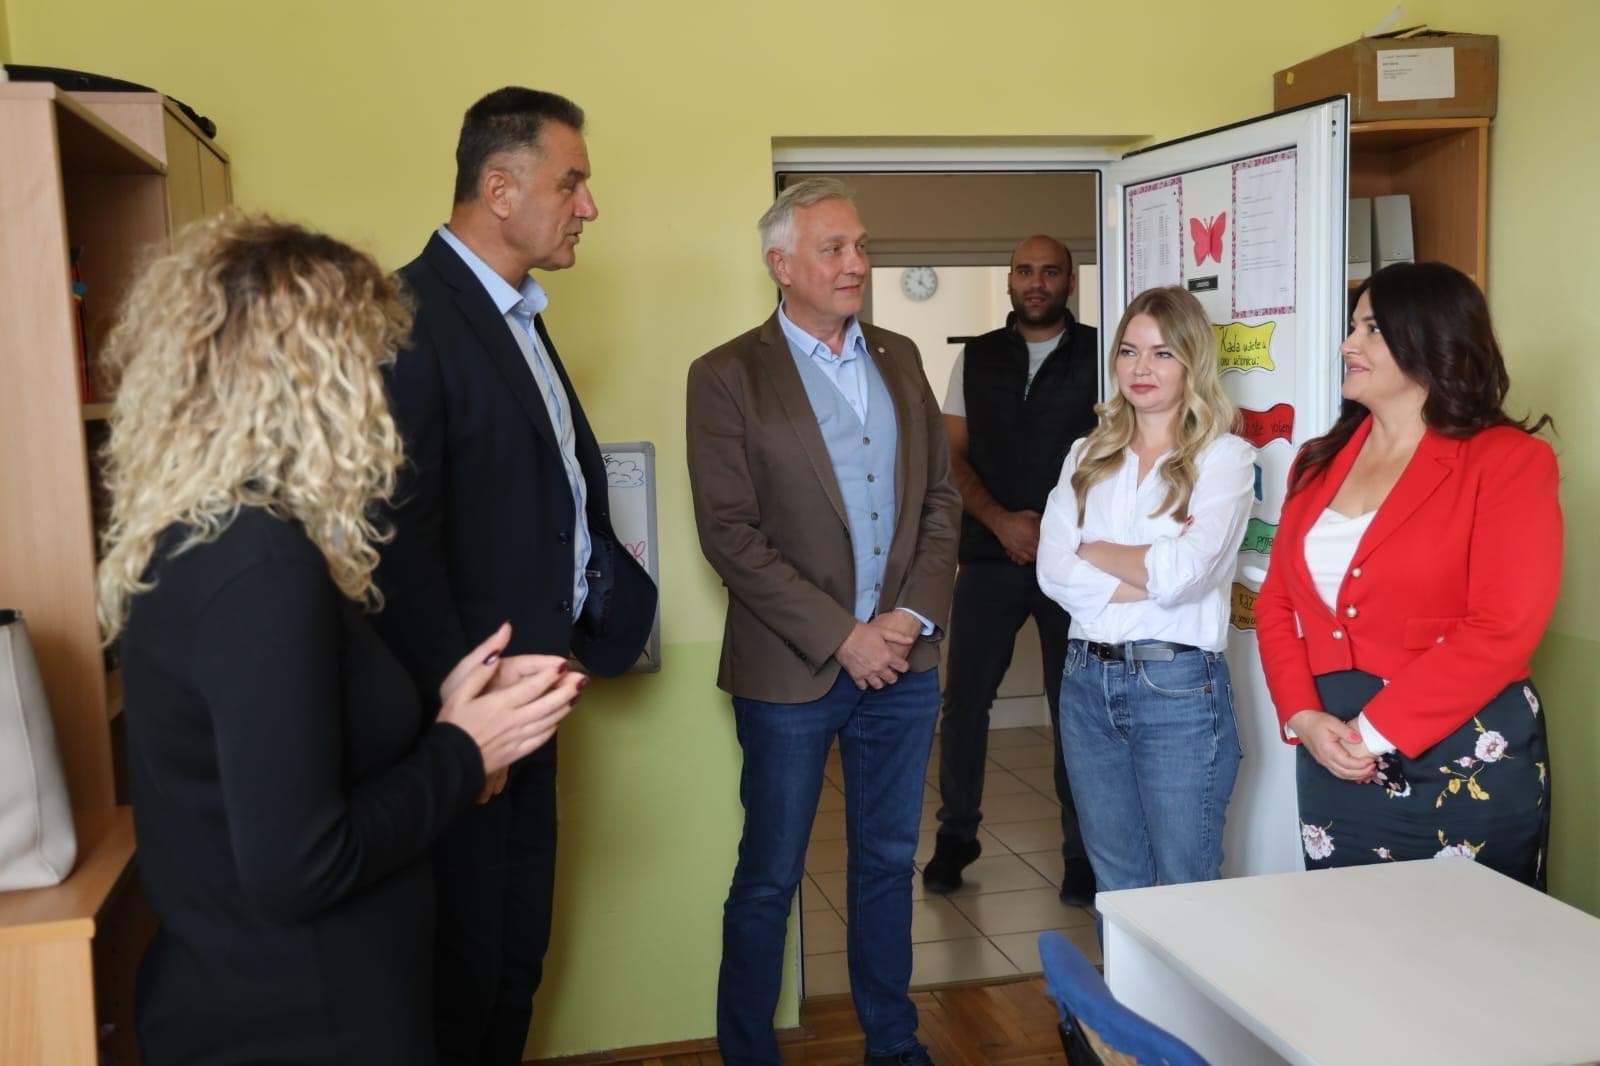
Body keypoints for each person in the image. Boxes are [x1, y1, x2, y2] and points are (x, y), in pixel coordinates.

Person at [94, 214, 585, 1064]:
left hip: (273, 1001)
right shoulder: (259, 565)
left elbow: (299, 760)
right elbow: (301, 865)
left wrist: (447, 711)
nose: (381, 395)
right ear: (311, 380)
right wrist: (464, 752)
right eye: (366, 363)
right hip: (301, 1023)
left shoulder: (206, 535)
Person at [371, 87, 657, 1066]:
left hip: (530, 699)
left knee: (512, 957)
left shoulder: (518, 317)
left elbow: (553, 494)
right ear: (499, 189)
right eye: (571, 183)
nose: (589, 206)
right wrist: (467, 718)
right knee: (464, 972)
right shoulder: (410, 316)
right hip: (463, 721)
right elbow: (396, 544)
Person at [685, 178, 960, 1066]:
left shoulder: (901, 355)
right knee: (770, 876)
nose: (856, 264)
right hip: (790, 673)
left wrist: (908, 618)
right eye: (834, 248)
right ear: (781, 263)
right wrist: (847, 636)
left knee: (885, 864)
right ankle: (748, 1053)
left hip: (903, 666)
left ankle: (894, 1043)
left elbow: (940, 502)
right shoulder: (726, 375)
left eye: (861, 246)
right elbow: (730, 535)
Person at [1255, 261, 1561, 885]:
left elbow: (1503, 626)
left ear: (1431, 338)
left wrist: (1373, 732)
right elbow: (1277, 602)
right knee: (1345, 932)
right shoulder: (1317, 461)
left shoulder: (1508, 460)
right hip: (1331, 748)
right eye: (1352, 327)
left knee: (1467, 939)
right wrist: (1303, 717)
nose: (1348, 344)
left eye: (1371, 328)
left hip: (1462, 749)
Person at [1036, 286, 1254, 895]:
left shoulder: (1225, 459)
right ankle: (1123, 970)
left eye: (1162, 353)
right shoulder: (1086, 454)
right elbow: (1051, 571)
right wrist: (1151, 572)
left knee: (1186, 882)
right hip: (1085, 682)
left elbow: (1186, 574)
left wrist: (1095, 551)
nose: (1141, 368)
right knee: (1117, 884)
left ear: (1192, 362)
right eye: (1129, 352)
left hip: (1176, 687)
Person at [924, 234, 1099, 904]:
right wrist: (1000, 521)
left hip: (1073, 562)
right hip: (988, 555)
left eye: (1050, 272)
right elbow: (950, 454)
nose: (1036, 283)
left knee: (1071, 707)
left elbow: (1116, 454)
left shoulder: (1101, 355)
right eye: (1025, 271)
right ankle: (955, 836)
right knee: (964, 703)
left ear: (1070, 282)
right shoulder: (976, 358)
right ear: (1009, 280)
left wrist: (1048, 532)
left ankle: (1081, 854)